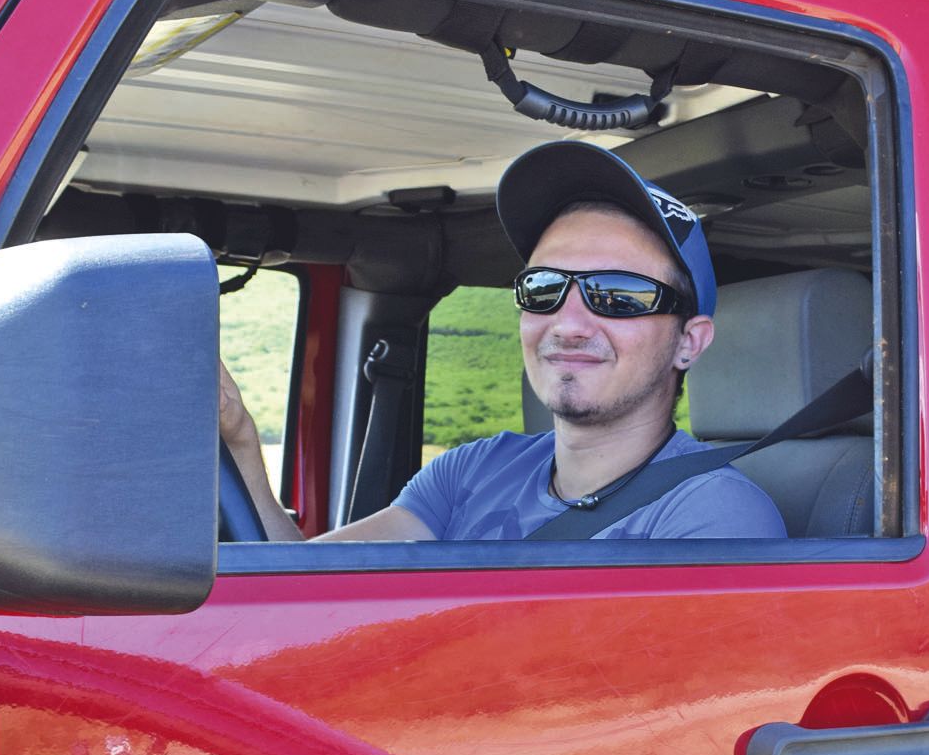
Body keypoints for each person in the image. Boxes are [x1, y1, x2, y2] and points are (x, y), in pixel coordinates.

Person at [218, 141, 786, 541]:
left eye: (617, 294)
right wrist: (240, 439)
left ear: (690, 343)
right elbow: (303, 599)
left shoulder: (713, 516)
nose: (568, 322)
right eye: (543, 288)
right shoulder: (473, 471)